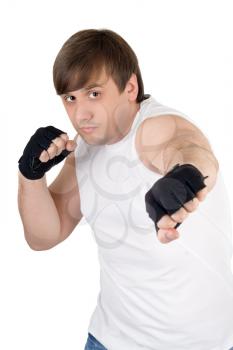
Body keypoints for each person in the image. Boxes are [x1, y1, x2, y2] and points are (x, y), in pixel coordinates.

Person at [17, 28, 233, 350]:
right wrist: (30, 175)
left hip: (200, 343)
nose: (80, 113)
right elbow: (44, 236)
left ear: (129, 87)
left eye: (93, 93)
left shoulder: (154, 127)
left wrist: (184, 177)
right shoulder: (84, 153)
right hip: (110, 340)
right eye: (70, 98)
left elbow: (190, 149)